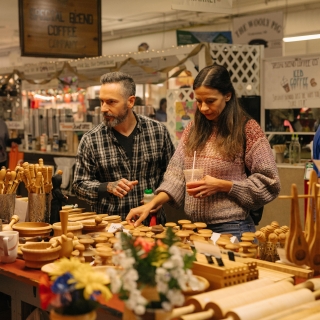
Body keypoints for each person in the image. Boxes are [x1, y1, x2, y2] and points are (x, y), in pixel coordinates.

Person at [126, 64, 281, 239]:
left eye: (210, 101)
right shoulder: (193, 128)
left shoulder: (247, 129)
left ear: (227, 95)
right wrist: (152, 203)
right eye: (199, 101)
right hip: (195, 229)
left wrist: (224, 185)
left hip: (232, 229)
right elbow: (175, 175)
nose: (203, 108)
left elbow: (270, 181)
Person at [72, 72, 175, 224]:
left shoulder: (157, 132)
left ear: (130, 101)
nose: (103, 109)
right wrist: (106, 187)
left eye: (111, 102)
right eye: (101, 102)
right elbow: (79, 184)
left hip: (152, 226)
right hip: (110, 229)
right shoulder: (91, 140)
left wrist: (158, 199)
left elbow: (172, 175)